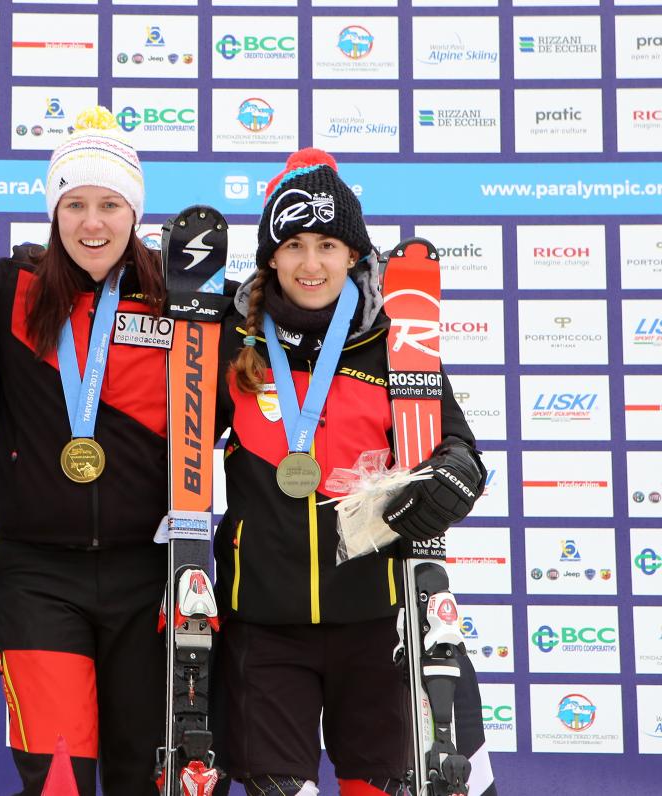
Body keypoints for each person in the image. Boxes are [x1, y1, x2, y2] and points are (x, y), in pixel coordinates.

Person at [213, 148, 486, 796]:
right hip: (263, 624)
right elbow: (170, 448)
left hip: (377, 622)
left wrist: (449, 477)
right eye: (295, 244)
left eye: (329, 245)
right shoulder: (231, 341)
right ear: (270, 256)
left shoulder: (395, 341)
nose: (311, 264)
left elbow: (462, 452)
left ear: (356, 255)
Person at [0, 106, 173, 796]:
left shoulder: (183, 304)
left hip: (150, 573)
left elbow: (287, 336)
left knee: (146, 775)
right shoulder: (5, 292)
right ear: (55, 210)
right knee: (58, 779)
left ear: (135, 212)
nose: (94, 223)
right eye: (77, 203)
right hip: (37, 576)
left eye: (111, 204)